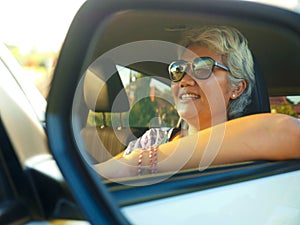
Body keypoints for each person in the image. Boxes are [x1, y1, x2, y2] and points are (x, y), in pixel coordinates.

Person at [95, 26, 300, 179]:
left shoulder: (255, 144)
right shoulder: (152, 139)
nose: (185, 79)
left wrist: (140, 163)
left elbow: (287, 131)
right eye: (178, 69)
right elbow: (101, 178)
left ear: (237, 88)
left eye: (202, 67)